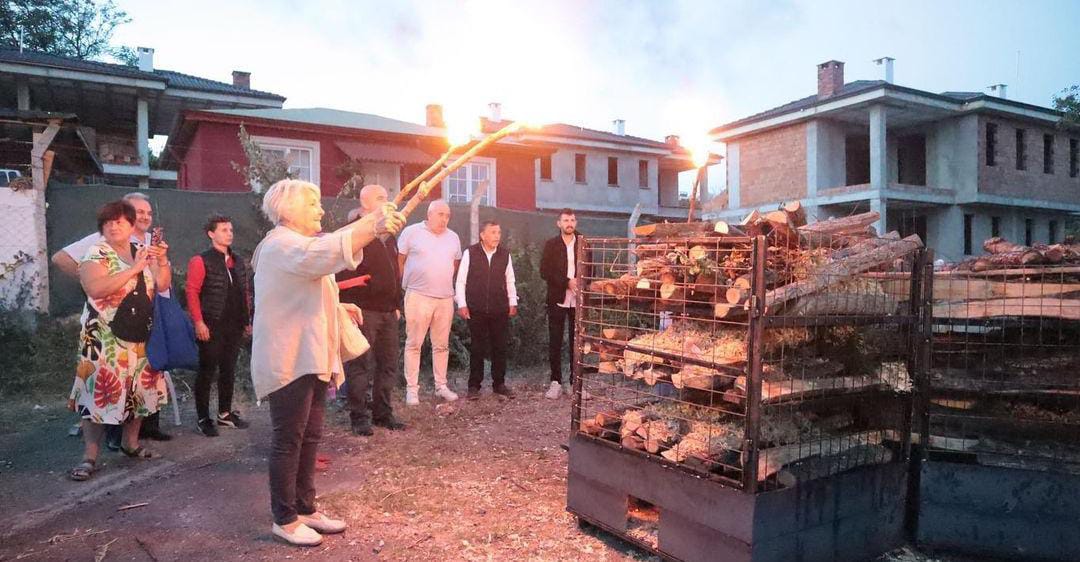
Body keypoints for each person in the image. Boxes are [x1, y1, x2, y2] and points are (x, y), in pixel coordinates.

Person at [250, 179, 404, 547]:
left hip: (311, 356)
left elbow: (309, 283)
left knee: (310, 434)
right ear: (289, 211)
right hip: (290, 358)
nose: (321, 210)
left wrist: (338, 305)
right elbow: (324, 256)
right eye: (313, 204)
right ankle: (284, 518)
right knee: (289, 438)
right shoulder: (280, 245)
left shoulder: (297, 245)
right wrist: (371, 222)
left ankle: (305, 507)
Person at [52, 192, 173, 445]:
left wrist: (160, 260)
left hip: (138, 334)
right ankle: (91, 455)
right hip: (104, 337)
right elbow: (94, 288)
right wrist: (123, 274)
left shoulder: (142, 249)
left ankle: (131, 444)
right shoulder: (96, 249)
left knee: (137, 390)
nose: (115, 225)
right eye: (109, 222)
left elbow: (161, 283)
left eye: (121, 221)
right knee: (98, 392)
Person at [336, 185, 406, 436]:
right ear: (365, 205)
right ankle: (359, 417)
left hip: (388, 311)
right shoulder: (355, 233)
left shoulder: (389, 235)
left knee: (388, 365)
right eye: (380, 198)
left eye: (387, 197)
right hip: (363, 310)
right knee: (360, 365)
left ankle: (383, 414)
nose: (387, 202)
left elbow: (394, 273)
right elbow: (341, 272)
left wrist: (396, 304)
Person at [186, 214, 252, 437]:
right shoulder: (201, 260)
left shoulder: (238, 261)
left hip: (233, 325)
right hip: (211, 323)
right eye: (224, 230)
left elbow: (244, 292)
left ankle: (224, 413)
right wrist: (198, 322)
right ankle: (203, 417)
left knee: (228, 370)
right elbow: (192, 292)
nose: (229, 233)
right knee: (207, 370)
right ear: (211, 234)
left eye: (231, 230)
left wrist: (247, 320)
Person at [397, 200, 462, 406]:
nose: (444, 219)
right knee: (414, 343)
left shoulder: (453, 237)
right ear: (429, 214)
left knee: (441, 345)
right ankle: (412, 390)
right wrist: (404, 284)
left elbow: (455, 264)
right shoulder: (411, 232)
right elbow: (400, 260)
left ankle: (441, 386)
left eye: (448, 215)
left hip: (444, 298)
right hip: (418, 295)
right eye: (440, 214)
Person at [455, 220, 518, 400]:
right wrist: (462, 303)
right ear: (482, 235)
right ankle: (474, 386)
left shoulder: (504, 255)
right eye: (492, 232)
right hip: (476, 308)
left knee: (500, 347)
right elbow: (461, 281)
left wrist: (512, 301)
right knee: (477, 348)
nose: (497, 236)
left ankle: (499, 384)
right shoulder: (470, 253)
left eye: (498, 232)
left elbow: (510, 280)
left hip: (499, 308)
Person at [540, 208, 582, 400]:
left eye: (572, 220)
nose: (569, 223)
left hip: (578, 300)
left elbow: (592, 268)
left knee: (577, 342)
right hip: (558, 298)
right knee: (555, 341)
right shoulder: (551, 244)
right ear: (559, 223)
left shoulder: (583, 242)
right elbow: (544, 271)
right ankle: (555, 382)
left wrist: (581, 283)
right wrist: (566, 282)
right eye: (566, 220)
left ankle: (576, 383)